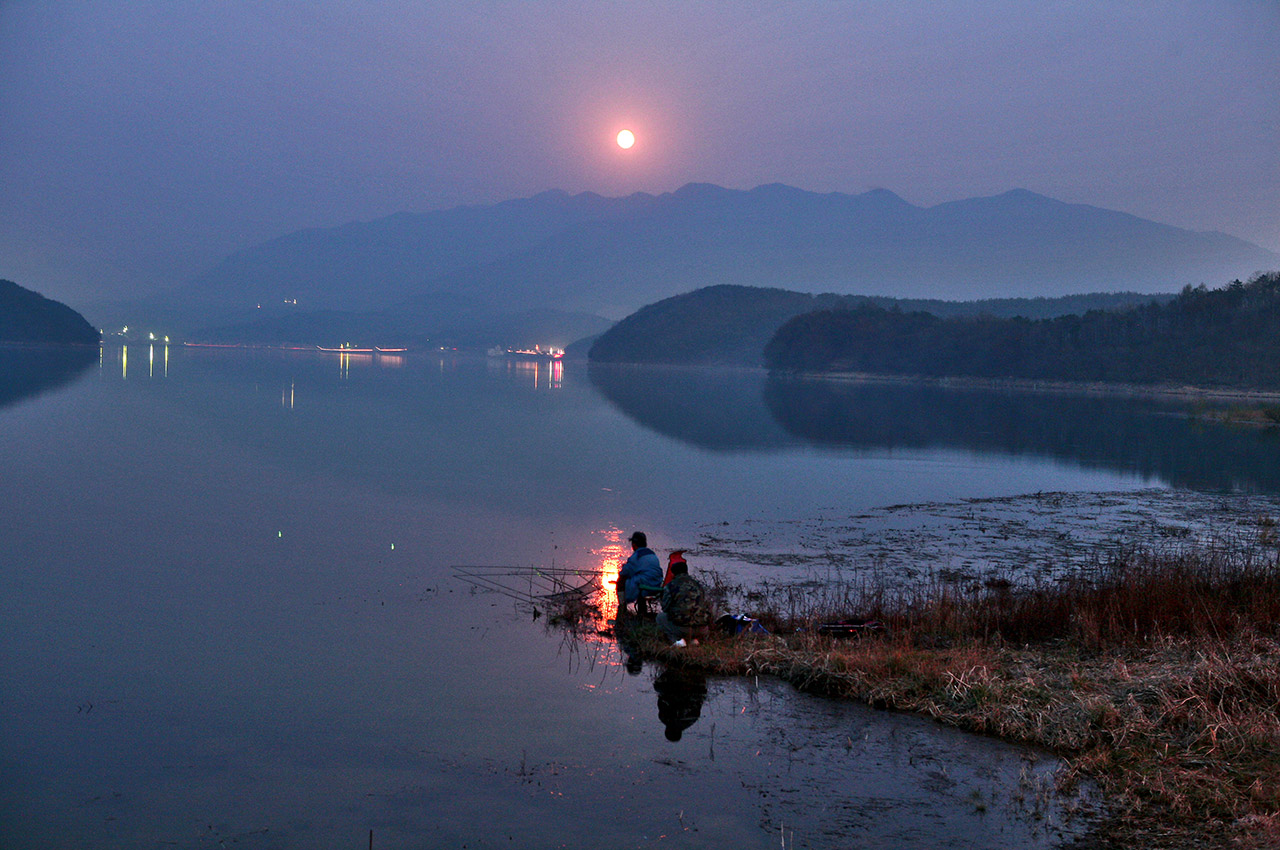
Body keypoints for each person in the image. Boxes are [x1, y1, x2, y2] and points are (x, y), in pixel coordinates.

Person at [657, 558, 714, 645]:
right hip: (702, 628)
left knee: (660, 617)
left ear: (673, 573)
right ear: (686, 571)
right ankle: (694, 640)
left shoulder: (671, 586)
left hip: (682, 628)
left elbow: (665, 608)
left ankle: (677, 642)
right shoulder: (698, 585)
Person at [616, 531, 663, 615]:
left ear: (634, 544)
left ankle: (622, 609)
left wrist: (624, 567)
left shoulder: (636, 556)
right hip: (657, 584)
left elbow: (624, 572)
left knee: (621, 581)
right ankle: (641, 612)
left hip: (646, 585)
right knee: (639, 579)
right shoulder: (652, 554)